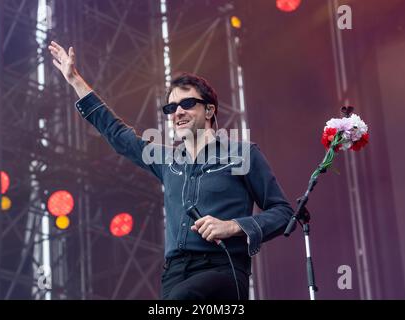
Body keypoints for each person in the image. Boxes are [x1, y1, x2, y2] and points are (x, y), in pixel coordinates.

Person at [48, 40, 294, 300]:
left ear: (209, 109)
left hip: (222, 270)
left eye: (187, 103)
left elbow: (284, 213)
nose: (177, 112)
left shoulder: (243, 154)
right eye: (170, 107)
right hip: (174, 275)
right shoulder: (167, 159)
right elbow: (118, 134)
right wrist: (75, 80)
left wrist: (233, 226)